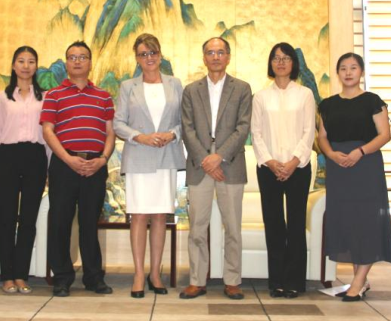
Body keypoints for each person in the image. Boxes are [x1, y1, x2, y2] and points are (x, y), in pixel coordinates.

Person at [40, 40, 116, 297]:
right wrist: (68, 159)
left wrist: (102, 159)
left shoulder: (104, 96)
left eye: (82, 57)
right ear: (66, 63)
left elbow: (110, 132)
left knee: (89, 223)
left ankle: (94, 278)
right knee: (60, 222)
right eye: (72, 57)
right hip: (64, 165)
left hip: (95, 165)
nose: (77, 61)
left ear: (90, 63)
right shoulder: (54, 95)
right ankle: (62, 278)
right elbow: (48, 131)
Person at [317, 53, 391, 302]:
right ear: (337, 73)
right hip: (338, 167)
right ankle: (361, 278)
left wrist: (360, 152)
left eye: (353, 68)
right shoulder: (327, 104)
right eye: (343, 68)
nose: (348, 72)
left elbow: (384, 135)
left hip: (365, 165)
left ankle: (358, 281)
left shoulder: (372, 101)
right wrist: (331, 154)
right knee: (348, 221)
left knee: (366, 221)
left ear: (361, 71)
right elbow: (322, 137)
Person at [179, 37, 252, 301]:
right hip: (200, 167)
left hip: (230, 166)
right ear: (204, 57)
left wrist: (219, 157)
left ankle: (232, 281)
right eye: (210, 52)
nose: (216, 57)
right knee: (197, 228)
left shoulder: (242, 88)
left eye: (220, 52)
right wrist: (206, 159)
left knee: (232, 228)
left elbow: (243, 127)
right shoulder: (191, 90)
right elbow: (187, 128)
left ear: (228, 57)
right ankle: (197, 281)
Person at [113, 33, 185, 298]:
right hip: (139, 156)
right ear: (137, 58)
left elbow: (185, 121)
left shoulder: (175, 84)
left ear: (160, 55)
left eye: (153, 52)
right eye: (143, 54)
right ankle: (138, 275)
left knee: (160, 217)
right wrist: (139, 136)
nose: (149, 58)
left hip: (166, 156)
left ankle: (155, 273)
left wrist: (172, 134)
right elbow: (118, 123)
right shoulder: (127, 86)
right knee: (139, 215)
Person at [251, 42, 315, 298]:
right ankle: (276, 281)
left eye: (286, 58)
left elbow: (309, 131)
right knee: (274, 224)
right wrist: (271, 162)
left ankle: (294, 282)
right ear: (270, 63)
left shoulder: (305, 94)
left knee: (296, 224)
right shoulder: (261, 97)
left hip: (298, 168)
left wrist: (292, 162)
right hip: (269, 169)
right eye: (276, 58)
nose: (280, 62)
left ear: (293, 63)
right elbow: (255, 133)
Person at [0, 46, 48, 294]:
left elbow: (48, 135)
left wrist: (49, 167)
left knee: (28, 219)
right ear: (13, 65)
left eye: (31, 61)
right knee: (7, 218)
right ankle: (7, 276)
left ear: (36, 66)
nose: (25, 66)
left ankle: (22, 275)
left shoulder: (45, 97)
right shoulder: (3, 97)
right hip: (9, 157)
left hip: (35, 157)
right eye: (21, 61)